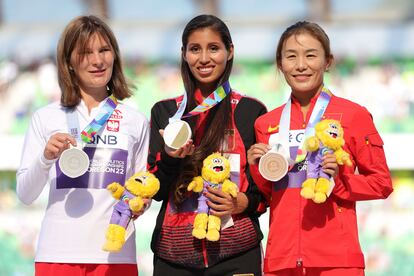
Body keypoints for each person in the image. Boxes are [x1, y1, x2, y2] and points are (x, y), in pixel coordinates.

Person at [247, 21, 393, 276]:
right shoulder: (266, 124)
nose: (301, 65)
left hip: (337, 262)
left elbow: (381, 183)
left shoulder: (353, 116)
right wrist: (257, 167)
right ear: (280, 64)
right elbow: (271, 194)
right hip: (282, 261)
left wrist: (339, 181)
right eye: (291, 56)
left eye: (311, 55)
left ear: (328, 61)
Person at [16, 15, 149, 276]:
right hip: (57, 255)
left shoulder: (135, 120)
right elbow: (25, 194)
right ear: (69, 62)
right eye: (85, 52)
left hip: (116, 257)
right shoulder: (46, 117)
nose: (97, 60)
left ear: (115, 56)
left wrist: (141, 202)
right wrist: (45, 158)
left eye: (104, 50)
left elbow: (140, 189)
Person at [147, 14, 267, 275]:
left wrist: (242, 202)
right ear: (184, 54)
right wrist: (170, 158)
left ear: (230, 51)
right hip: (174, 255)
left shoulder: (251, 110)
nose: (203, 58)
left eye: (214, 48)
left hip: (237, 252)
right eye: (194, 49)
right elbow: (155, 191)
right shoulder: (165, 112)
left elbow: (264, 190)